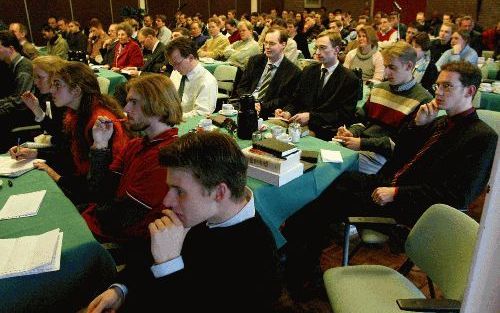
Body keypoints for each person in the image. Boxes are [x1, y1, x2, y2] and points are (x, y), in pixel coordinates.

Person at [283, 61, 497, 299]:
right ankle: (296, 256)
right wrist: (416, 126)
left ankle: (299, 272)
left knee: (321, 205)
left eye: (447, 86)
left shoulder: (482, 138)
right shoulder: (438, 121)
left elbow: (457, 197)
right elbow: (400, 156)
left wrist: (396, 193)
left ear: (470, 91)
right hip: (386, 184)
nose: (438, 92)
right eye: (437, 85)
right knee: (323, 182)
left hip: (411, 207)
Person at [87, 132, 281, 313]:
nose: (167, 201)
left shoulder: (257, 260)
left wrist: (169, 265)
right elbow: (146, 257)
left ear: (219, 193)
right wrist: (121, 289)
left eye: (179, 191)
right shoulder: (198, 214)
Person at [10, 62, 129, 204]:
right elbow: (69, 153)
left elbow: (98, 186)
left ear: (76, 91)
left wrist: (56, 177)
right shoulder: (77, 113)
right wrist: (35, 153)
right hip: (80, 185)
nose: (52, 90)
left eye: (57, 85)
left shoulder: (98, 124)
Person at [82, 74, 182, 242]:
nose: (126, 109)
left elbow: (123, 217)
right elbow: (101, 190)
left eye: (134, 102)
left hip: (128, 240)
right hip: (106, 222)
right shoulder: (136, 144)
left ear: (157, 104)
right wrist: (100, 144)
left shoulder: (167, 155)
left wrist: (88, 211)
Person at [335, 41, 433, 174]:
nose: (386, 73)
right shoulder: (379, 88)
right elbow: (362, 120)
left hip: (385, 158)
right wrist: (352, 132)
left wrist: (362, 143)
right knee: (324, 155)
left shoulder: (422, 99)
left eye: (392, 67)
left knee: (334, 169)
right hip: (363, 146)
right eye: (385, 66)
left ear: (409, 66)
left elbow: (399, 144)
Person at [275, 30, 360, 141]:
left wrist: (311, 117)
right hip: (298, 123)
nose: (317, 52)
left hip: (325, 129)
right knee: (270, 127)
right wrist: (287, 111)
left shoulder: (349, 78)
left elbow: (343, 115)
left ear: (336, 50)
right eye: (316, 48)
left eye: (323, 48)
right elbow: (296, 100)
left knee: (283, 139)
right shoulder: (309, 70)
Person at [237, 26, 301, 119]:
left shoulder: (293, 72)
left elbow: (284, 99)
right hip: (246, 106)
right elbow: (242, 87)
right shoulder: (255, 61)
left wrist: (261, 106)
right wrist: (249, 102)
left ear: (283, 44)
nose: (267, 47)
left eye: (272, 43)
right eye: (265, 43)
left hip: (268, 113)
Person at [19, 55, 67, 146]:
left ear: (55, 77)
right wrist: (36, 110)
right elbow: (55, 132)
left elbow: (62, 139)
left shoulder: (64, 101)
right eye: (35, 77)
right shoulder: (46, 97)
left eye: (40, 77)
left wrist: (37, 151)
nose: (35, 82)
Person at [166, 37, 217, 118]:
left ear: (190, 58)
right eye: (172, 64)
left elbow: (201, 114)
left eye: (177, 63)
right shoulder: (177, 73)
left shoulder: (207, 81)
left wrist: (172, 118)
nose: (174, 68)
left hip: (189, 125)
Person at [0, 30, 34, 151]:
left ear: (10, 48)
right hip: (18, 113)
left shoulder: (23, 67)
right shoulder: (12, 66)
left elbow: (21, 101)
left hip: (26, 115)